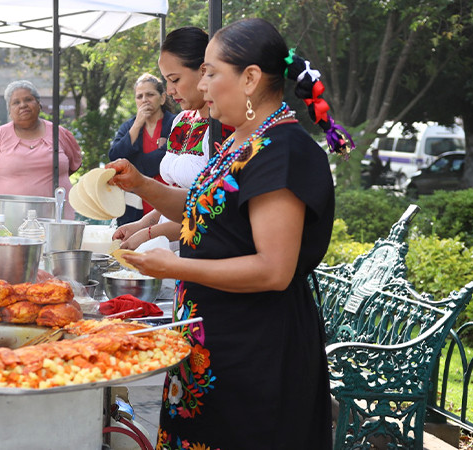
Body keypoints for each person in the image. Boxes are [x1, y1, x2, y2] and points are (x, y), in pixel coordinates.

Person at [107, 18, 354, 449]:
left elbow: (273, 269)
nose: (202, 85)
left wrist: (175, 266)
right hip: (211, 348)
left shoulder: (283, 152)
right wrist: (141, 184)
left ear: (250, 79)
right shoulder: (241, 140)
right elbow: (203, 212)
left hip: (256, 356)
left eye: (211, 72)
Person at [113, 27, 231, 250]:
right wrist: (143, 224)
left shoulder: (223, 127)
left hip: (199, 249)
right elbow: (175, 194)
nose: (169, 90)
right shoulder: (182, 120)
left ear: (204, 71)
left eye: (175, 79)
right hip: (167, 248)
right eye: (166, 81)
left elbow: (213, 209)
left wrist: (150, 233)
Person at [0, 80, 82, 219]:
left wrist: (48, 178)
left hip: (56, 216)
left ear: (39, 104)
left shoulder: (59, 133)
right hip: (7, 217)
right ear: (9, 110)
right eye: (16, 102)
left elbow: (74, 165)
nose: (23, 105)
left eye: (28, 99)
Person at [109, 73, 176, 225]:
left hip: (168, 201)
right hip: (135, 207)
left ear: (162, 98)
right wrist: (137, 125)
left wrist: (131, 164)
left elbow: (158, 162)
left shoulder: (175, 123)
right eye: (139, 96)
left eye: (150, 95)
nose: (144, 100)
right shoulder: (129, 126)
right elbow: (114, 156)